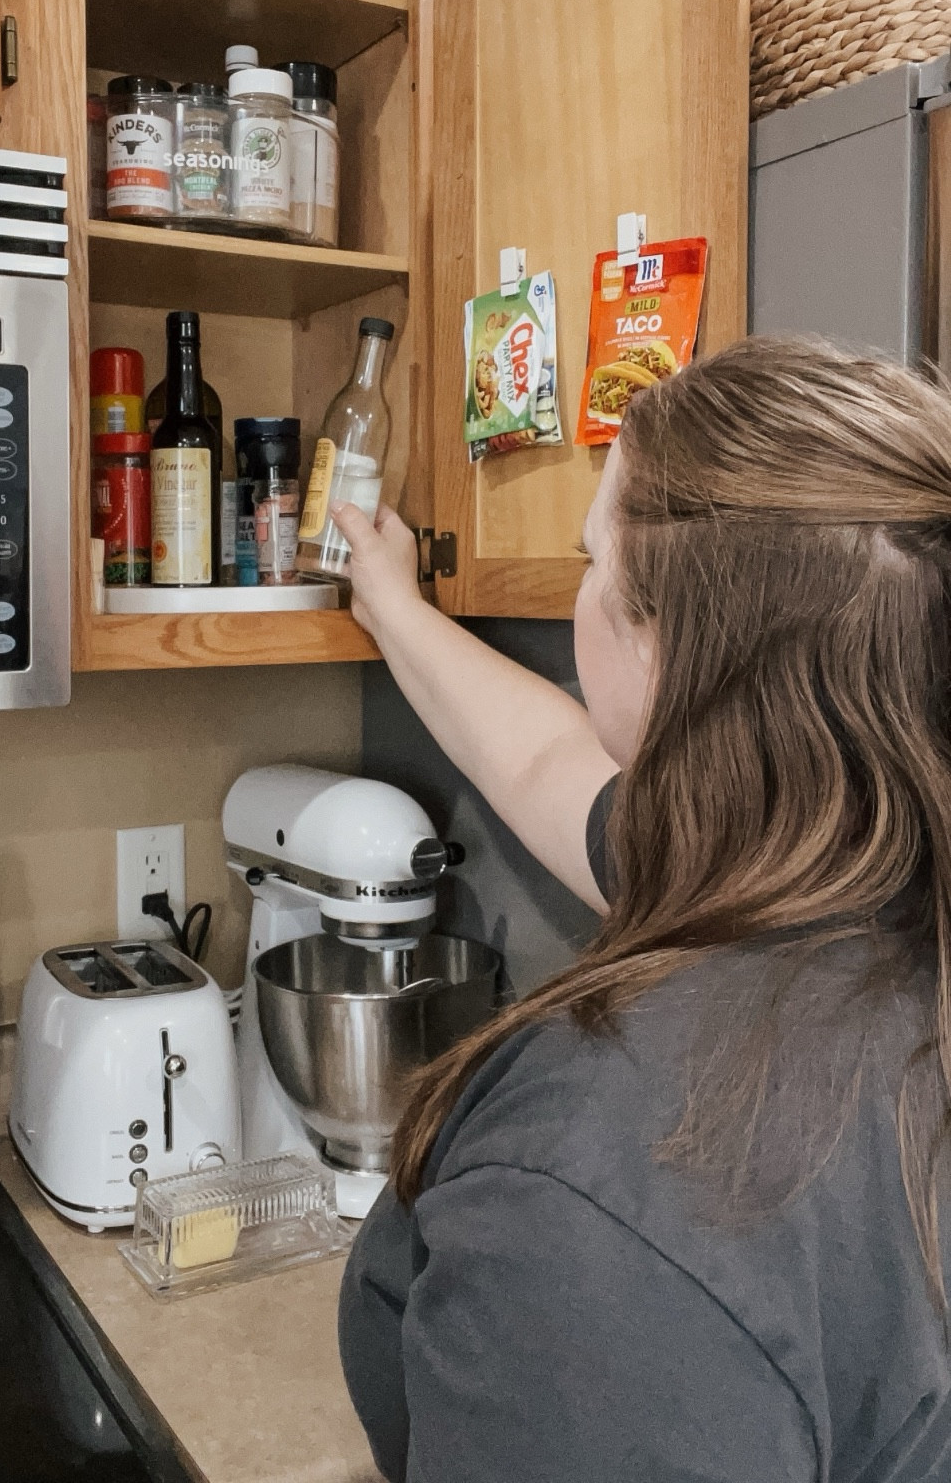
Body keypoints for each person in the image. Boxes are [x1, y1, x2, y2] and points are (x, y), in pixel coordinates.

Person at [333, 335, 951, 1483]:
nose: (582, 592)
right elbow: (544, 763)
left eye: (590, 558)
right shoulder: (849, 874)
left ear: (661, 644)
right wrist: (391, 602)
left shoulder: (605, 1186)